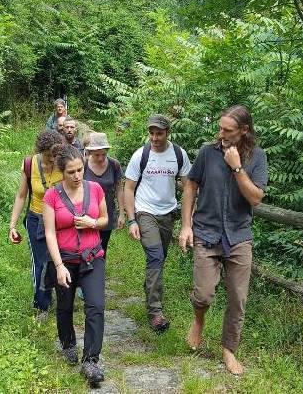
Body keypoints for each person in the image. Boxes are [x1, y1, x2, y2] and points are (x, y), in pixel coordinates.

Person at [179, 105, 268, 375]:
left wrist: (237, 167)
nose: (221, 134)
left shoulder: (258, 157)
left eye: (227, 130)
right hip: (206, 232)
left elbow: (255, 198)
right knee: (204, 293)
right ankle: (198, 321)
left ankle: (228, 351)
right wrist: (186, 225)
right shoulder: (207, 152)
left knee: (238, 299)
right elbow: (191, 185)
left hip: (240, 236)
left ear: (244, 131)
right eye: (220, 128)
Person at [43, 144, 108, 385]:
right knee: (65, 306)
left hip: (92, 257)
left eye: (80, 170)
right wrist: (58, 266)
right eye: (71, 172)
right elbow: (49, 233)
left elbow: (104, 219)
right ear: (62, 172)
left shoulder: (95, 189)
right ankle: (68, 344)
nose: (77, 175)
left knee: (96, 306)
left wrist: (92, 223)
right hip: (65, 258)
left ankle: (91, 360)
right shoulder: (52, 195)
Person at [124, 114, 191, 332]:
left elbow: (187, 185)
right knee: (155, 255)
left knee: (159, 259)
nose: (154, 137)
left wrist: (189, 214)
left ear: (167, 133)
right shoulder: (140, 155)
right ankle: (155, 312)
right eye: (151, 133)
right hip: (145, 212)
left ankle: (150, 289)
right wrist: (132, 220)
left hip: (168, 213)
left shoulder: (179, 154)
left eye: (159, 133)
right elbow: (129, 188)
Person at [8, 130, 64, 320]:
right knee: (39, 262)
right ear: (40, 151)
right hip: (36, 218)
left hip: (61, 220)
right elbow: (21, 195)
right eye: (48, 156)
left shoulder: (64, 162)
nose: (52, 160)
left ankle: (65, 297)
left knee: (59, 259)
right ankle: (42, 305)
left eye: (55, 155)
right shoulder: (29, 164)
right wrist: (12, 226)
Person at [84, 132, 125, 257]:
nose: (101, 158)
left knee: (102, 247)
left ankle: (99, 273)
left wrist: (122, 214)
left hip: (107, 213)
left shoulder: (114, 165)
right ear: (89, 152)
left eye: (104, 154)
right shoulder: (83, 164)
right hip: (86, 213)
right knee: (86, 247)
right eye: (97, 155)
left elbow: (119, 188)